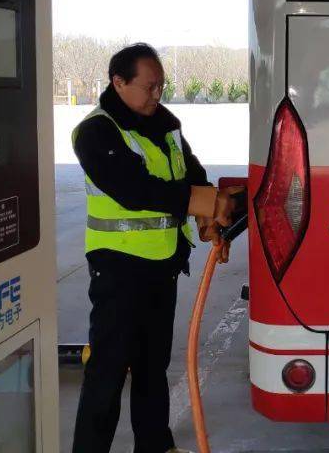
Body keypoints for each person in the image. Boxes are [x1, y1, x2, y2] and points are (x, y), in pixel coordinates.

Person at [71, 43, 238, 453]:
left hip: (162, 266)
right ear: (119, 82)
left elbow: (190, 171)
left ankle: (156, 446)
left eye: (161, 86)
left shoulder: (166, 123)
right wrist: (202, 202)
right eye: (149, 87)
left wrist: (208, 215)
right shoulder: (97, 131)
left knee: (152, 366)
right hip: (119, 269)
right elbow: (133, 190)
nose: (157, 95)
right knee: (108, 371)